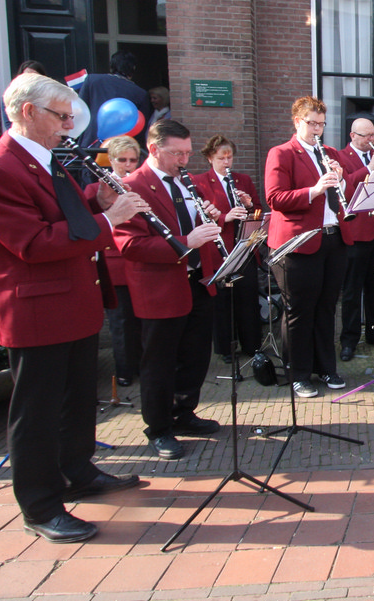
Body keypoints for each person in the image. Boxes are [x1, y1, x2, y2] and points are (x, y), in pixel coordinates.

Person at [0, 72, 147, 543]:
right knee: (38, 412)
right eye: (62, 117)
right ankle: (41, 505)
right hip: (36, 311)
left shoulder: (45, 159)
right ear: (29, 112)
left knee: (76, 400)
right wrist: (110, 220)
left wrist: (96, 202)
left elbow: (62, 214)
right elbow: (32, 242)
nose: (70, 126)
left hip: (73, 302)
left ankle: (78, 472)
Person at [115, 119, 225, 460]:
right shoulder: (132, 186)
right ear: (153, 149)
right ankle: (159, 428)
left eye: (188, 153)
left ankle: (184, 413)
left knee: (195, 355)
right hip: (160, 288)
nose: (184, 160)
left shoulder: (186, 182)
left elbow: (200, 227)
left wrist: (211, 218)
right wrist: (185, 241)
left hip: (198, 281)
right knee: (159, 362)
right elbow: (130, 244)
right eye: (177, 153)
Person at [264, 97, 348, 399]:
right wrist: (315, 190)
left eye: (322, 124)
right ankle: (298, 374)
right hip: (298, 243)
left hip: (333, 238)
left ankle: (326, 367)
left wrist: (341, 181)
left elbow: (343, 191)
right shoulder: (282, 153)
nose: (318, 130)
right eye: (312, 123)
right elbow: (275, 198)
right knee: (299, 311)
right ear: (297, 121)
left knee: (327, 307)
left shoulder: (330, 153)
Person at [192, 135, 262, 363]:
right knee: (222, 301)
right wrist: (225, 217)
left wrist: (249, 205)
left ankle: (252, 344)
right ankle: (226, 349)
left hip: (244, 249)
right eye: (221, 158)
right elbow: (199, 218)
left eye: (229, 157)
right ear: (210, 158)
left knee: (247, 297)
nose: (226, 162)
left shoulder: (243, 180)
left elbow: (259, 212)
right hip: (218, 251)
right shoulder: (200, 182)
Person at [83, 135, 143, 386]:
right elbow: (89, 226)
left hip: (141, 260)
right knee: (121, 321)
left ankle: (144, 366)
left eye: (133, 160)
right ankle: (125, 370)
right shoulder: (94, 190)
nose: (128, 165)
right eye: (122, 160)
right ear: (111, 160)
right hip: (115, 263)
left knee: (143, 319)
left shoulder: (142, 185)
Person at [335, 117, 374, 361]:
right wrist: (371, 167)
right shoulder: (340, 157)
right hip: (357, 232)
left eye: (373, 135)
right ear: (353, 136)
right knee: (352, 289)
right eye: (366, 135)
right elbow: (347, 187)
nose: (371, 140)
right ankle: (349, 339)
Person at [75, 50, 153, 150]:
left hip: (89, 144)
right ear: (133, 68)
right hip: (121, 149)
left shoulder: (92, 80)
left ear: (112, 65)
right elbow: (140, 129)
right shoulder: (140, 93)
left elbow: (79, 110)